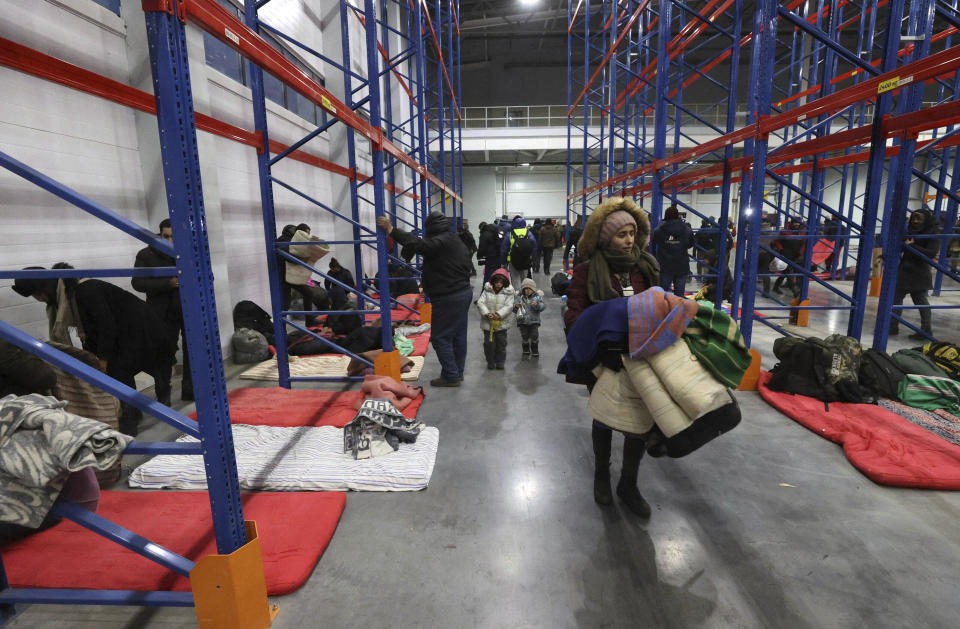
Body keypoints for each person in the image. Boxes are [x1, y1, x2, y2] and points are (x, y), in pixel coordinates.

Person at [563, 197, 660, 517]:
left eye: (633, 232)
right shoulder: (587, 271)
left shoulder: (645, 267)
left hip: (641, 356)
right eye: (622, 234)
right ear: (606, 237)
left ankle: (628, 484)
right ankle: (602, 476)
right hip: (603, 360)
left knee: (638, 421)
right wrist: (594, 352)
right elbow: (575, 313)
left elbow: (657, 306)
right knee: (604, 417)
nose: (629, 239)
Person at [13, 264, 174, 436]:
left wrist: (102, 359)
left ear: (46, 288)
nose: (39, 299)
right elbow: (91, 332)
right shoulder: (70, 296)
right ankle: (134, 411)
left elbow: (106, 326)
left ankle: (131, 419)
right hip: (125, 331)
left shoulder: (85, 291)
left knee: (118, 371)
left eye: (38, 294)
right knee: (119, 372)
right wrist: (91, 358)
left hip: (140, 328)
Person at [377, 211, 473, 387]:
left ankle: (451, 375)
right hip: (461, 292)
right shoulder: (453, 239)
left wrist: (391, 230)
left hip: (449, 296)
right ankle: (456, 373)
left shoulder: (440, 241)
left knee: (440, 337)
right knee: (458, 336)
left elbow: (419, 245)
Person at [132, 219, 193, 402]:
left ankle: (189, 391)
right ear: (160, 235)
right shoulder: (147, 254)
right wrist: (169, 283)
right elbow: (138, 283)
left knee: (192, 351)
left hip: (188, 308)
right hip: (161, 313)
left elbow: (207, 276)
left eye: (175, 237)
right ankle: (163, 394)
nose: (170, 241)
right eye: (166, 236)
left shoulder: (187, 251)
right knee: (163, 354)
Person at [891, 208, 940, 339]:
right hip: (904, 271)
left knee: (921, 302)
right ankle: (892, 326)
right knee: (895, 300)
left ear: (926, 221)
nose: (915, 221)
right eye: (914, 219)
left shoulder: (932, 234)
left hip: (920, 273)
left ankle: (926, 331)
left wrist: (911, 246)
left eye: (919, 219)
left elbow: (931, 253)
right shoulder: (909, 233)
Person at [476, 268, 515, 370]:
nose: (498, 284)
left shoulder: (508, 293)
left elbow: (509, 306)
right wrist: (486, 313)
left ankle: (500, 361)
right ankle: (490, 361)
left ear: (504, 283)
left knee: (501, 344)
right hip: (488, 324)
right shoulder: (487, 291)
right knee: (489, 344)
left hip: (502, 324)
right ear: (493, 282)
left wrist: (498, 314)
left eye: (501, 282)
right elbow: (480, 302)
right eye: (496, 282)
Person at [652, 205, 694, 296]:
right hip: (682, 266)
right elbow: (690, 244)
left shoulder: (658, 231)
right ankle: (678, 310)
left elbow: (655, 243)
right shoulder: (687, 229)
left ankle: (664, 310)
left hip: (665, 265)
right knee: (679, 295)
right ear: (677, 215)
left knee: (662, 294)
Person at [501, 216, 538, 289]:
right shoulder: (529, 233)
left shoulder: (509, 234)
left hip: (513, 261)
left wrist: (503, 262)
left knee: (515, 281)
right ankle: (524, 295)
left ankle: (517, 296)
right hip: (526, 260)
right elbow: (534, 247)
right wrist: (533, 259)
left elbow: (504, 250)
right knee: (524, 280)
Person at [772, 218, 805, 298]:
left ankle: (775, 287)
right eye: (795, 223)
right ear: (792, 223)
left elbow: (804, 243)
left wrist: (800, 253)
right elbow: (777, 241)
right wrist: (781, 249)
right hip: (786, 254)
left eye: (798, 223)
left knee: (785, 272)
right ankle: (795, 290)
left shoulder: (802, 233)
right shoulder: (785, 232)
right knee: (789, 272)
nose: (797, 225)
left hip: (796, 255)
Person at [514, 277, 546, 358]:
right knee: (524, 335)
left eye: (530, 289)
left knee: (534, 335)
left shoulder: (537, 297)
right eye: (526, 289)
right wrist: (516, 307)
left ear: (533, 289)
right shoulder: (519, 297)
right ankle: (525, 348)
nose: (527, 290)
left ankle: (535, 349)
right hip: (522, 321)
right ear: (523, 289)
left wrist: (537, 305)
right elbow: (513, 308)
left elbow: (543, 306)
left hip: (534, 321)